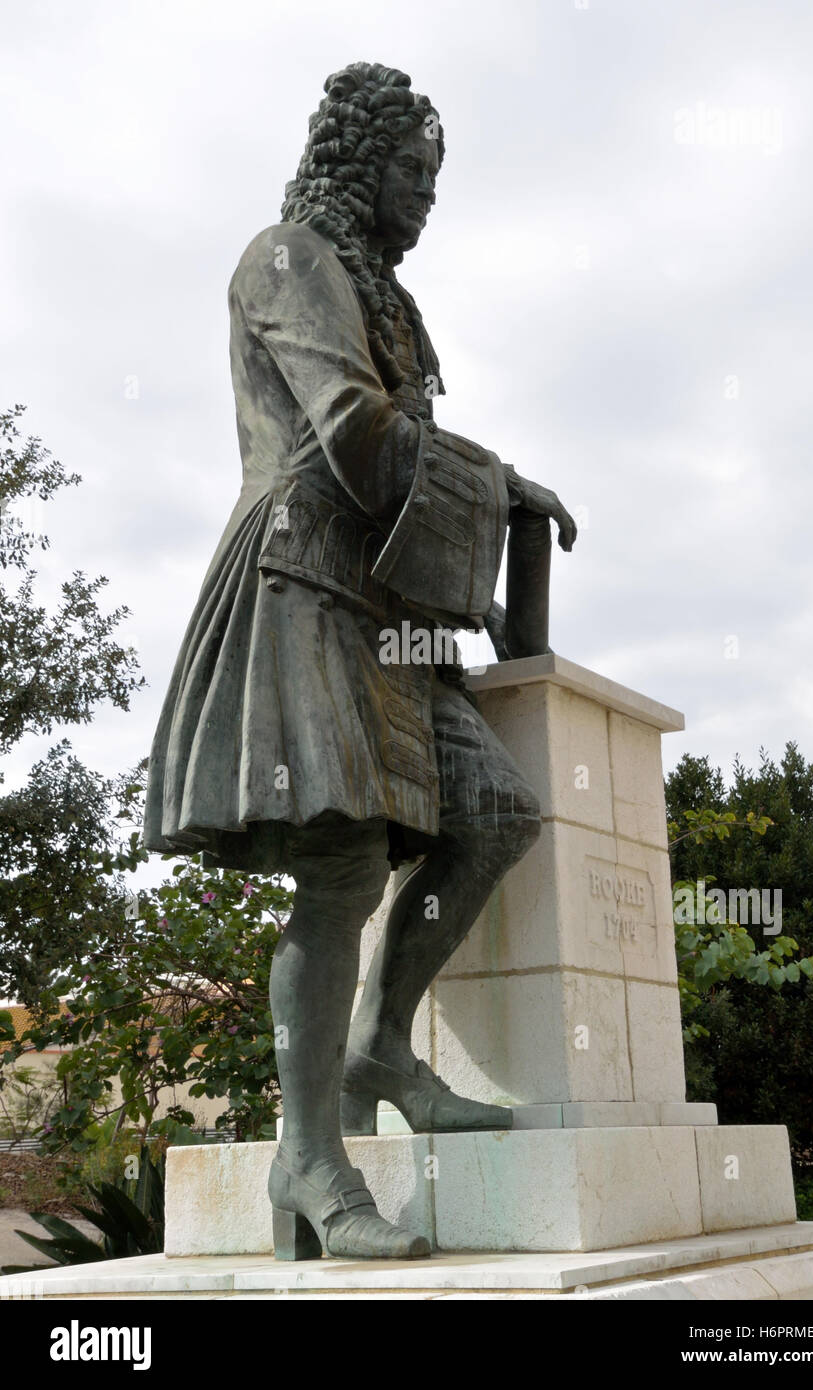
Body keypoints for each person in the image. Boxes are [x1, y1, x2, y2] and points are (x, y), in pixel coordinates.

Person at [144, 61, 576, 1261]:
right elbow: (353, 429)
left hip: (390, 602)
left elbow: (412, 446)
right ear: (356, 160)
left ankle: (379, 1045)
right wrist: (498, 489)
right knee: (336, 869)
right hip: (303, 585)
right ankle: (307, 1157)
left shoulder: (390, 295)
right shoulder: (286, 258)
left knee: (492, 809)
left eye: (434, 178)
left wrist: (483, 532)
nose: (425, 197)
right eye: (412, 171)